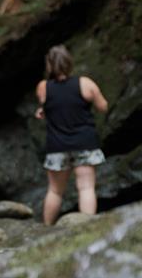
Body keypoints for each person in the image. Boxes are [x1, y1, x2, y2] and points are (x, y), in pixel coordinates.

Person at [34, 45, 108, 226]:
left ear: (49, 65)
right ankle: (87, 229)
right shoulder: (86, 83)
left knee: (55, 191)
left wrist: (43, 110)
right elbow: (103, 107)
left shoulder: (43, 87)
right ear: (69, 63)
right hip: (85, 143)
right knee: (86, 187)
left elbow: (51, 105)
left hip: (57, 146)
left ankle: (46, 229)